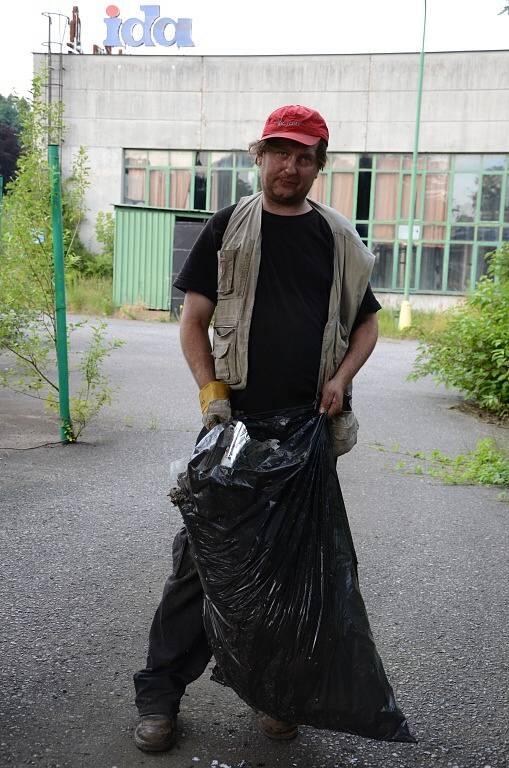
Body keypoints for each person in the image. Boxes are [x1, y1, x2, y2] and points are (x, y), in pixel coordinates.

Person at [133, 104, 381, 753]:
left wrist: (341, 378)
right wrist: (212, 396)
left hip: (305, 432)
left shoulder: (338, 239)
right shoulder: (229, 227)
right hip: (234, 426)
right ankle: (159, 693)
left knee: (294, 572)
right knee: (198, 565)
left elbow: (366, 323)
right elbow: (193, 321)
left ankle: (275, 695)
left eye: (303, 156)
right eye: (280, 152)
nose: (289, 167)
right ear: (259, 155)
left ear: (316, 166)